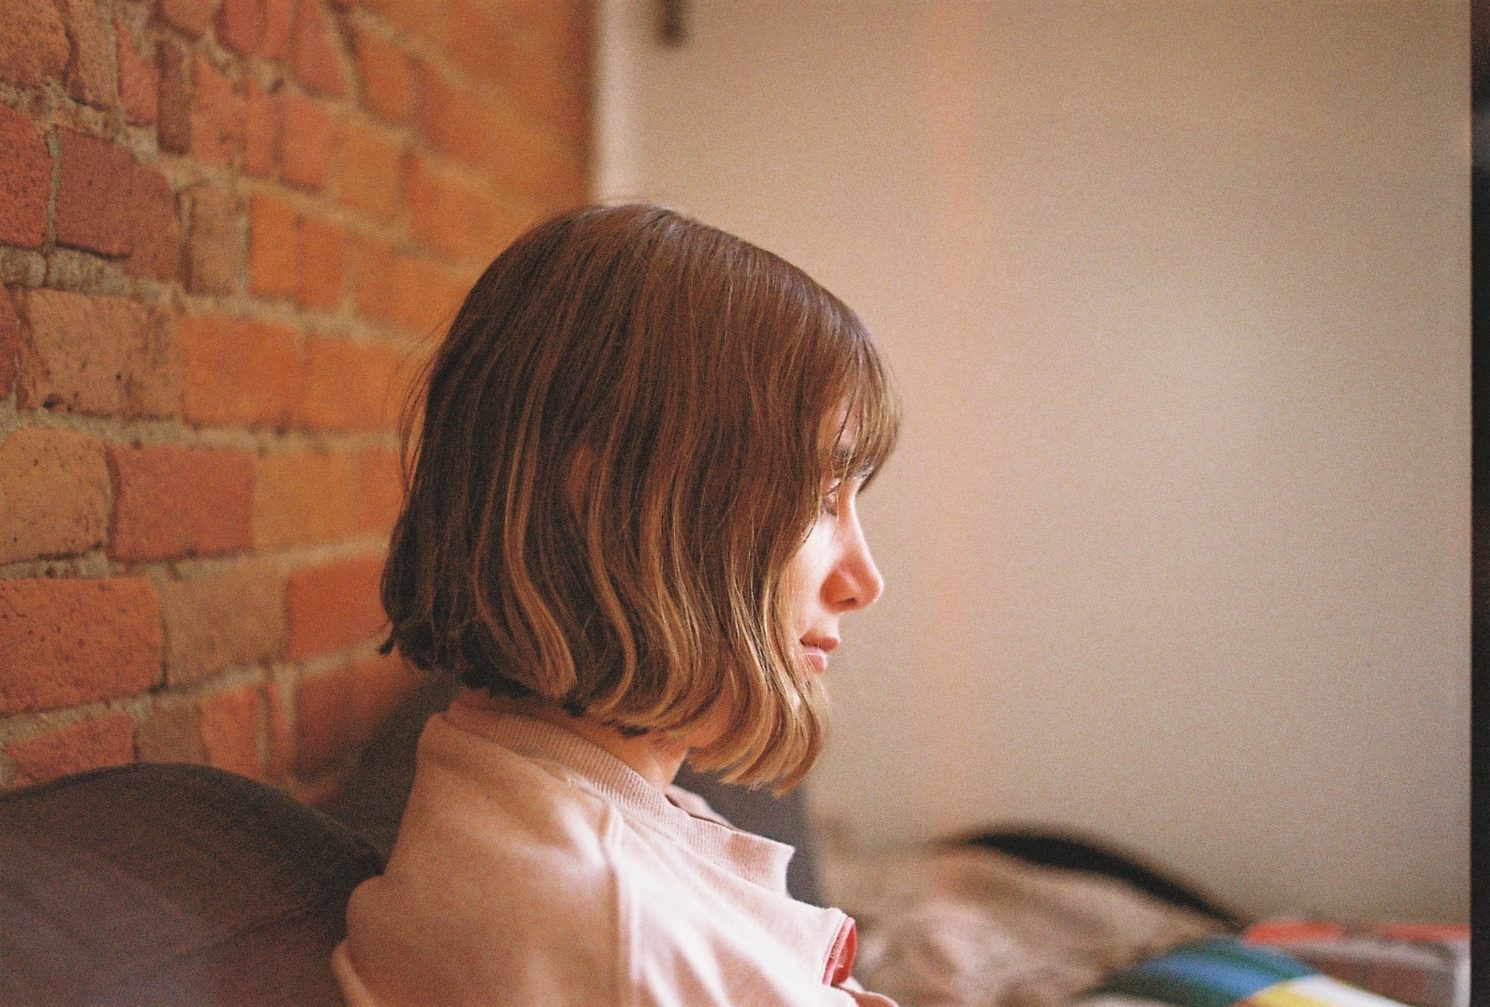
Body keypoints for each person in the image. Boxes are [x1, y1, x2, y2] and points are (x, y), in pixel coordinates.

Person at [331, 204, 900, 1007]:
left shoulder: (584, 806)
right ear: (609, 505)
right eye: (816, 498)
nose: (863, 579)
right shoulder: (606, 935)